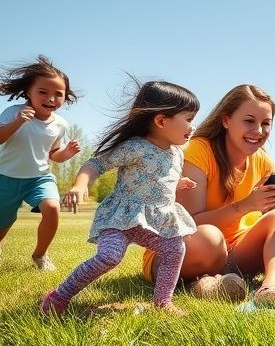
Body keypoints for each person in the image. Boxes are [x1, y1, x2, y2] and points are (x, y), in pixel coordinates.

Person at [43, 81, 199, 316]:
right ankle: (60, 296)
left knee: (175, 250)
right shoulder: (135, 147)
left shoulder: (177, 153)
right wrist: (81, 184)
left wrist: (178, 184)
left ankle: (163, 302)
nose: (192, 126)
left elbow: (156, 180)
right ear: (161, 120)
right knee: (109, 256)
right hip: (122, 218)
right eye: (188, 119)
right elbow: (97, 163)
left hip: (157, 220)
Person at [141, 84, 275, 307]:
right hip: (182, 249)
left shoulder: (264, 163)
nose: (259, 131)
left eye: (266, 123)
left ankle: (270, 288)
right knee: (210, 238)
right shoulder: (199, 151)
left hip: (232, 256)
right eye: (249, 121)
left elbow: (266, 224)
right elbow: (188, 224)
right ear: (226, 120)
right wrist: (244, 206)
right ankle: (205, 281)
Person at [0, 55, 81, 271]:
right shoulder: (13, 113)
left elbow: (54, 154)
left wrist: (68, 153)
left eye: (58, 94)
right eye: (43, 92)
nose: (51, 99)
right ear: (28, 92)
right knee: (3, 223)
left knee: (52, 208)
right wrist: (18, 122)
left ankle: (40, 255)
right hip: (6, 177)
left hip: (39, 177)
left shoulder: (60, 124)